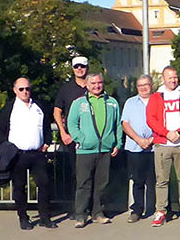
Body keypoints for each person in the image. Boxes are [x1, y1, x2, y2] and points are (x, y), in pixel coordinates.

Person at [0, 77, 57, 230]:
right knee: (19, 187)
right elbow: (0, 132)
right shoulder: (9, 109)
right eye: (21, 89)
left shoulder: (39, 106)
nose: (25, 92)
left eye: (27, 89)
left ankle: (44, 217)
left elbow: (47, 128)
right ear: (15, 90)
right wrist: (5, 148)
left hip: (37, 154)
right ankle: (23, 218)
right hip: (17, 154)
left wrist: (47, 143)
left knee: (44, 184)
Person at [67, 73, 123, 228]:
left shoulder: (112, 102)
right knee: (83, 184)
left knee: (102, 184)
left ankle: (98, 213)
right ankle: (81, 215)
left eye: (99, 82)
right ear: (86, 84)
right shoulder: (79, 103)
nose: (96, 86)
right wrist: (81, 139)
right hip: (85, 150)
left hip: (105, 150)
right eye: (93, 83)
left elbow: (118, 124)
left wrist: (117, 144)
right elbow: (71, 124)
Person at [147, 66, 180, 227]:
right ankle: (160, 211)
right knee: (161, 180)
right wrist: (166, 133)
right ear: (163, 79)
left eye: (175, 77)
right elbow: (151, 119)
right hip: (163, 144)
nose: (173, 80)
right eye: (170, 77)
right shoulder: (156, 97)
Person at [53, 56, 89, 219]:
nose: (79, 69)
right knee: (75, 174)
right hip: (72, 140)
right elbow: (57, 111)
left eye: (82, 66)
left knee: (91, 175)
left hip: (91, 139)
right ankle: (75, 209)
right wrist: (63, 132)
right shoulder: (66, 89)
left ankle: (91, 208)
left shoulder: (93, 86)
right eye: (76, 67)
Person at [121, 74, 156, 223]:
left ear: (151, 85)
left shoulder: (158, 100)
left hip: (154, 146)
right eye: (140, 86)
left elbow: (165, 122)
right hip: (135, 147)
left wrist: (151, 140)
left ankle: (155, 209)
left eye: (146, 85)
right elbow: (125, 124)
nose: (143, 88)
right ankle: (137, 210)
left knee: (154, 180)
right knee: (138, 180)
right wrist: (139, 140)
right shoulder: (130, 102)